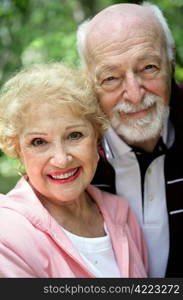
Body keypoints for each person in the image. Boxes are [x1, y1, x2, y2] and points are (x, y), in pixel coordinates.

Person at [0, 62, 148, 278]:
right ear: (18, 149)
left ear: (96, 136)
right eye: (39, 142)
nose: (61, 160)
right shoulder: (7, 233)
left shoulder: (121, 214)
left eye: (74, 135)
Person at [76, 1, 183, 277]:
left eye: (148, 67)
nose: (135, 95)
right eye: (111, 78)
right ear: (89, 83)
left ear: (170, 62)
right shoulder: (70, 154)